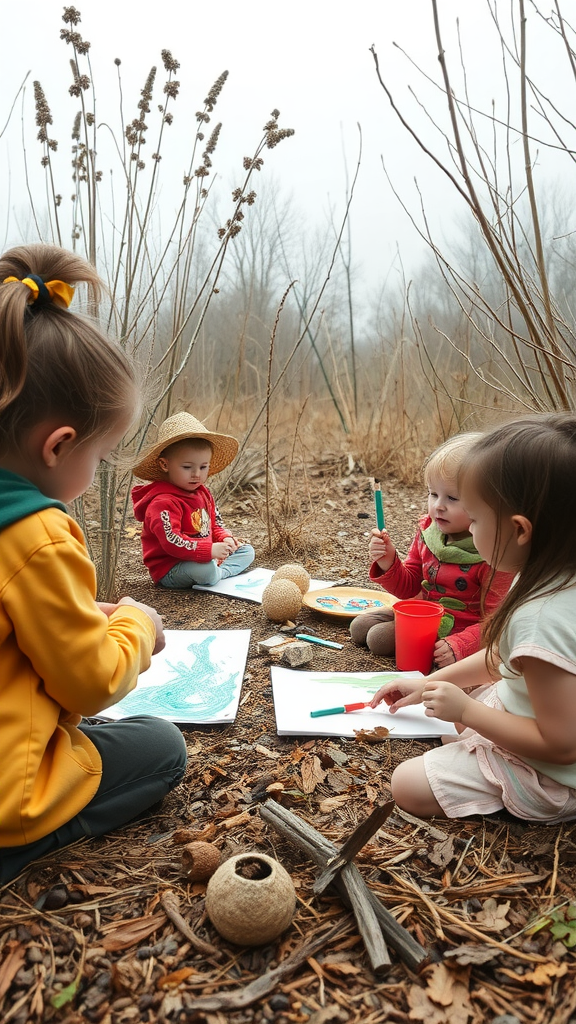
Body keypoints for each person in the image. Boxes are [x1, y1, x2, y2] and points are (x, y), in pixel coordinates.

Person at [0, 244, 187, 885]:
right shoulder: (37, 535)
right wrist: (135, 627)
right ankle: (25, 843)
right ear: (58, 446)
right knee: (162, 747)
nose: (96, 472)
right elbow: (88, 684)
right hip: (9, 798)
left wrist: (83, 616)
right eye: (101, 457)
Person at [371, 413, 576, 823]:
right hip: (533, 713)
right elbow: (500, 656)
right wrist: (428, 682)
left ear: (519, 530)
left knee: (406, 783)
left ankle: (526, 798)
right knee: (446, 721)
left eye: (478, 519)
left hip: (554, 770)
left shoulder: (541, 618)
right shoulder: (546, 577)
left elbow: (563, 745)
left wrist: (468, 712)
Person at [350, 434, 512, 667]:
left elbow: (499, 622)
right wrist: (389, 561)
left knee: (377, 638)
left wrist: (461, 645)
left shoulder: (494, 554)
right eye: (433, 494)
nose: (438, 506)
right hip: (423, 613)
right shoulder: (429, 531)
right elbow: (410, 587)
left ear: (490, 503)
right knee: (359, 628)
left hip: (458, 630)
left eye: (453, 498)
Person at [131, 412, 255, 589]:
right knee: (205, 570)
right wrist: (210, 551)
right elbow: (172, 542)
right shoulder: (162, 503)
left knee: (246, 551)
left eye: (203, 467)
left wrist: (225, 538)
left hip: (203, 558)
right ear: (165, 465)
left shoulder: (203, 494)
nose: (197, 474)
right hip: (172, 567)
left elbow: (214, 525)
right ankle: (215, 574)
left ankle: (218, 574)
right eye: (187, 467)